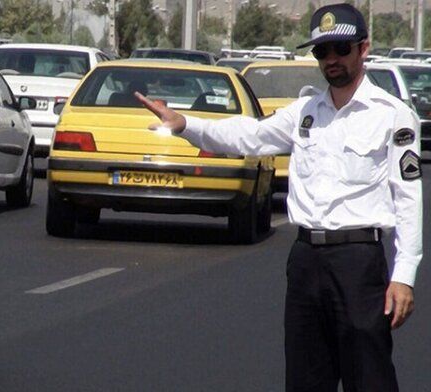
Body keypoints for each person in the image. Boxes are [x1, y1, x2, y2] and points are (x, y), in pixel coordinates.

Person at [136, 3, 421, 391]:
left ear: (364, 49)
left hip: (358, 262)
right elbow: (248, 136)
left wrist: (403, 276)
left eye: (341, 49)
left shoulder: (392, 114)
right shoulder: (305, 111)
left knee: (369, 378)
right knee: (305, 379)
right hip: (306, 261)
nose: (331, 60)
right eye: (322, 52)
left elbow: (407, 199)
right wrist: (186, 124)